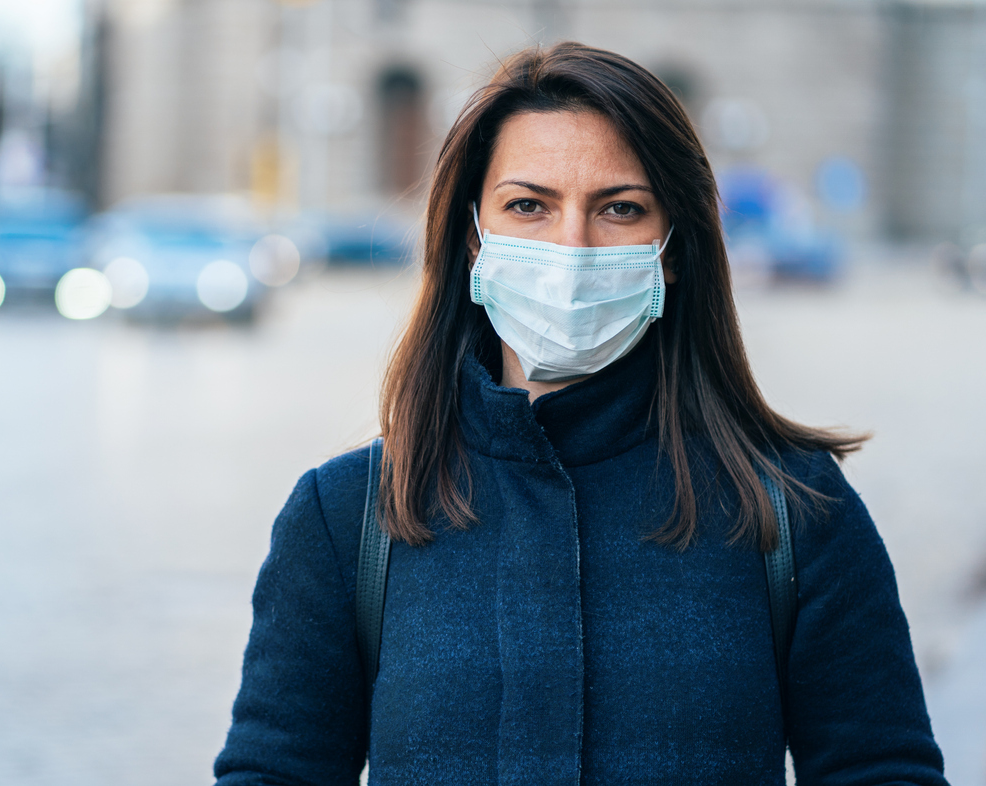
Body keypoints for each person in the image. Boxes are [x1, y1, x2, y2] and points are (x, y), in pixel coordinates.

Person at [214, 42, 947, 785]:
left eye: (619, 209)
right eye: (528, 206)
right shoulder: (346, 520)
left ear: (669, 248)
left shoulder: (794, 513)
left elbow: (881, 770)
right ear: (474, 237)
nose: (571, 247)